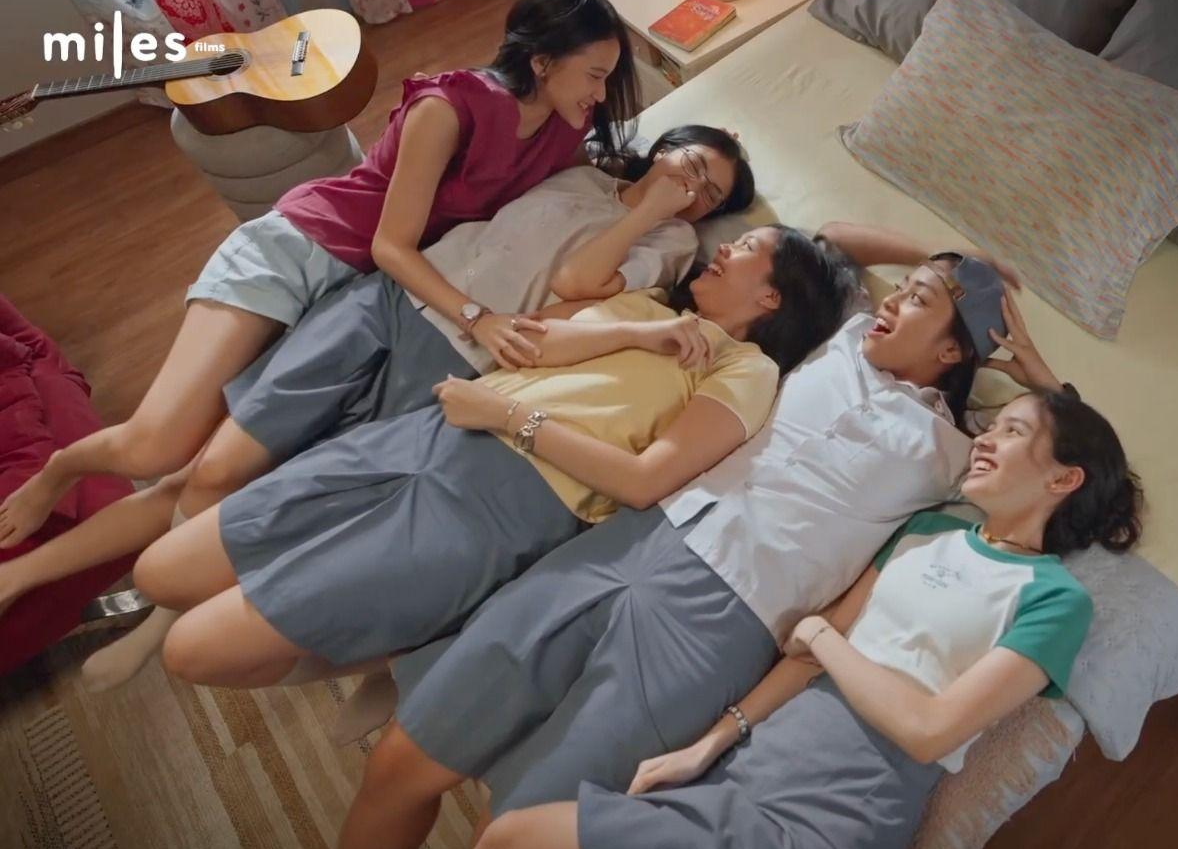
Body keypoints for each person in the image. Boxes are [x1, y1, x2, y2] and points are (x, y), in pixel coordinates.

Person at [328, 223, 1071, 849]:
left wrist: (1031, 367)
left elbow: (1074, 464)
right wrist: (951, 257)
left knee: (518, 833)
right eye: (899, 290)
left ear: (954, 347)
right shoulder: (841, 341)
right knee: (402, 760)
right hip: (631, 543)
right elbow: (834, 238)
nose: (894, 302)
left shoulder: (959, 452)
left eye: (918, 301)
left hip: (721, 628)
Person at [0, 125, 752, 689]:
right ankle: (60, 569)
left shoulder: (670, 248)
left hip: (461, 362)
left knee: (285, 488)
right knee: (212, 465)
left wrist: (653, 209)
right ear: (663, 147)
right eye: (692, 165)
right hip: (396, 300)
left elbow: (575, 285)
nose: (695, 189)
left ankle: (160, 611)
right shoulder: (579, 170)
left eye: (711, 194)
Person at [0, 0, 637, 554]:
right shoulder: (449, 107)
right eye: (594, 74)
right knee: (159, 445)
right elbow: (391, 245)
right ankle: (60, 469)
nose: (602, 93)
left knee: (214, 466)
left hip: (355, 299)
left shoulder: (562, 129)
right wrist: (478, 317)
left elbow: (584, 191)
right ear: (542, 60)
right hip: (298, 255)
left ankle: (130, 573)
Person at [134, 225, 854, 697]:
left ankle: (382, 642)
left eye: (746, 246)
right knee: (158, 572)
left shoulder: (749, 370)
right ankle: (387, 634)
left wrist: (511, 418)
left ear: (772, 294)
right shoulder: (647, 309)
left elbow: (645, 481)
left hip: (499, 506)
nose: (724, 247)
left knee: (192, 650)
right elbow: (529, 346)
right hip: (426, 435)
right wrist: (640, 334)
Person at [463, 389, 1142, 849]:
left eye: (1013, 431)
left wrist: (822, 636)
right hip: (745, 771)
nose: (986, 439)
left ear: (1065, 479)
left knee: (510, 845)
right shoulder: (928, 530)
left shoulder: (1056, 599)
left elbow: (930, 729)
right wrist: (710, 744)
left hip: (833, 813)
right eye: (993, 426)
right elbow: (810, 654)